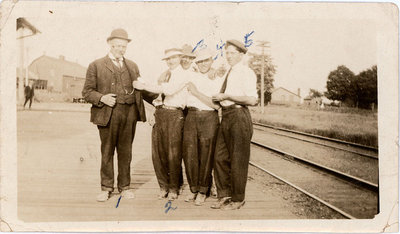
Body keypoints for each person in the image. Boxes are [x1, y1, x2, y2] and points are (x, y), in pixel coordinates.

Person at [82, 28, 156, 202]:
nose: (120, 49)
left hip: (129, 113)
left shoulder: (133, 66)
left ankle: (125, 187)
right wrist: (102, 98)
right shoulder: (96, 65)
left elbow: (141, 88)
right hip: (108, 114)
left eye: (123, 46)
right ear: (109, 44)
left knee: (126, 152)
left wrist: (158, 100)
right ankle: (106, 188)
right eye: (117, 46)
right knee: (107, 151)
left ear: (127, 46)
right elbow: (87, 92)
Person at [133, 48, 190, 201]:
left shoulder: (184, 74)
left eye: (174, 58)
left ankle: (173, 188)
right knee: (158, 153)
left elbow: (169, 91)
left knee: (173, 153)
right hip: (161, 113)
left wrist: (143, 86)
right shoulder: (165, 74)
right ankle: (163, 186)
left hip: (174, 114)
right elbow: (159, 97)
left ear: (180, 58)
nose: (171, 61)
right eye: (168, 59)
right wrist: (153, 112)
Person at [211, 39, 258, 210]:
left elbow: (252, 100)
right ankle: (224, 195)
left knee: (238, 159)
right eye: (227, 53)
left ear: (241, 55)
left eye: (232, 53)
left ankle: (238, 199)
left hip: (239, 115)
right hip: (227, 116)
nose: (228, 56)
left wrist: (227, 96)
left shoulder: (247, 72)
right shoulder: (227, 73)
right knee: (220, 157)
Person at [183, 49, 223, 206]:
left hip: (209, 117)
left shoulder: (217, 79)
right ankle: (194, 189)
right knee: (190, 154)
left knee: (207, 155)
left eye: (207, 60)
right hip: (191, 116)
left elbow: (215, 104)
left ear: (212, 61)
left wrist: (196, 93)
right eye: (200, 61)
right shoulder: (190, 76)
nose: (204, 64)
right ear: (196, 63)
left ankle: (203, 191)